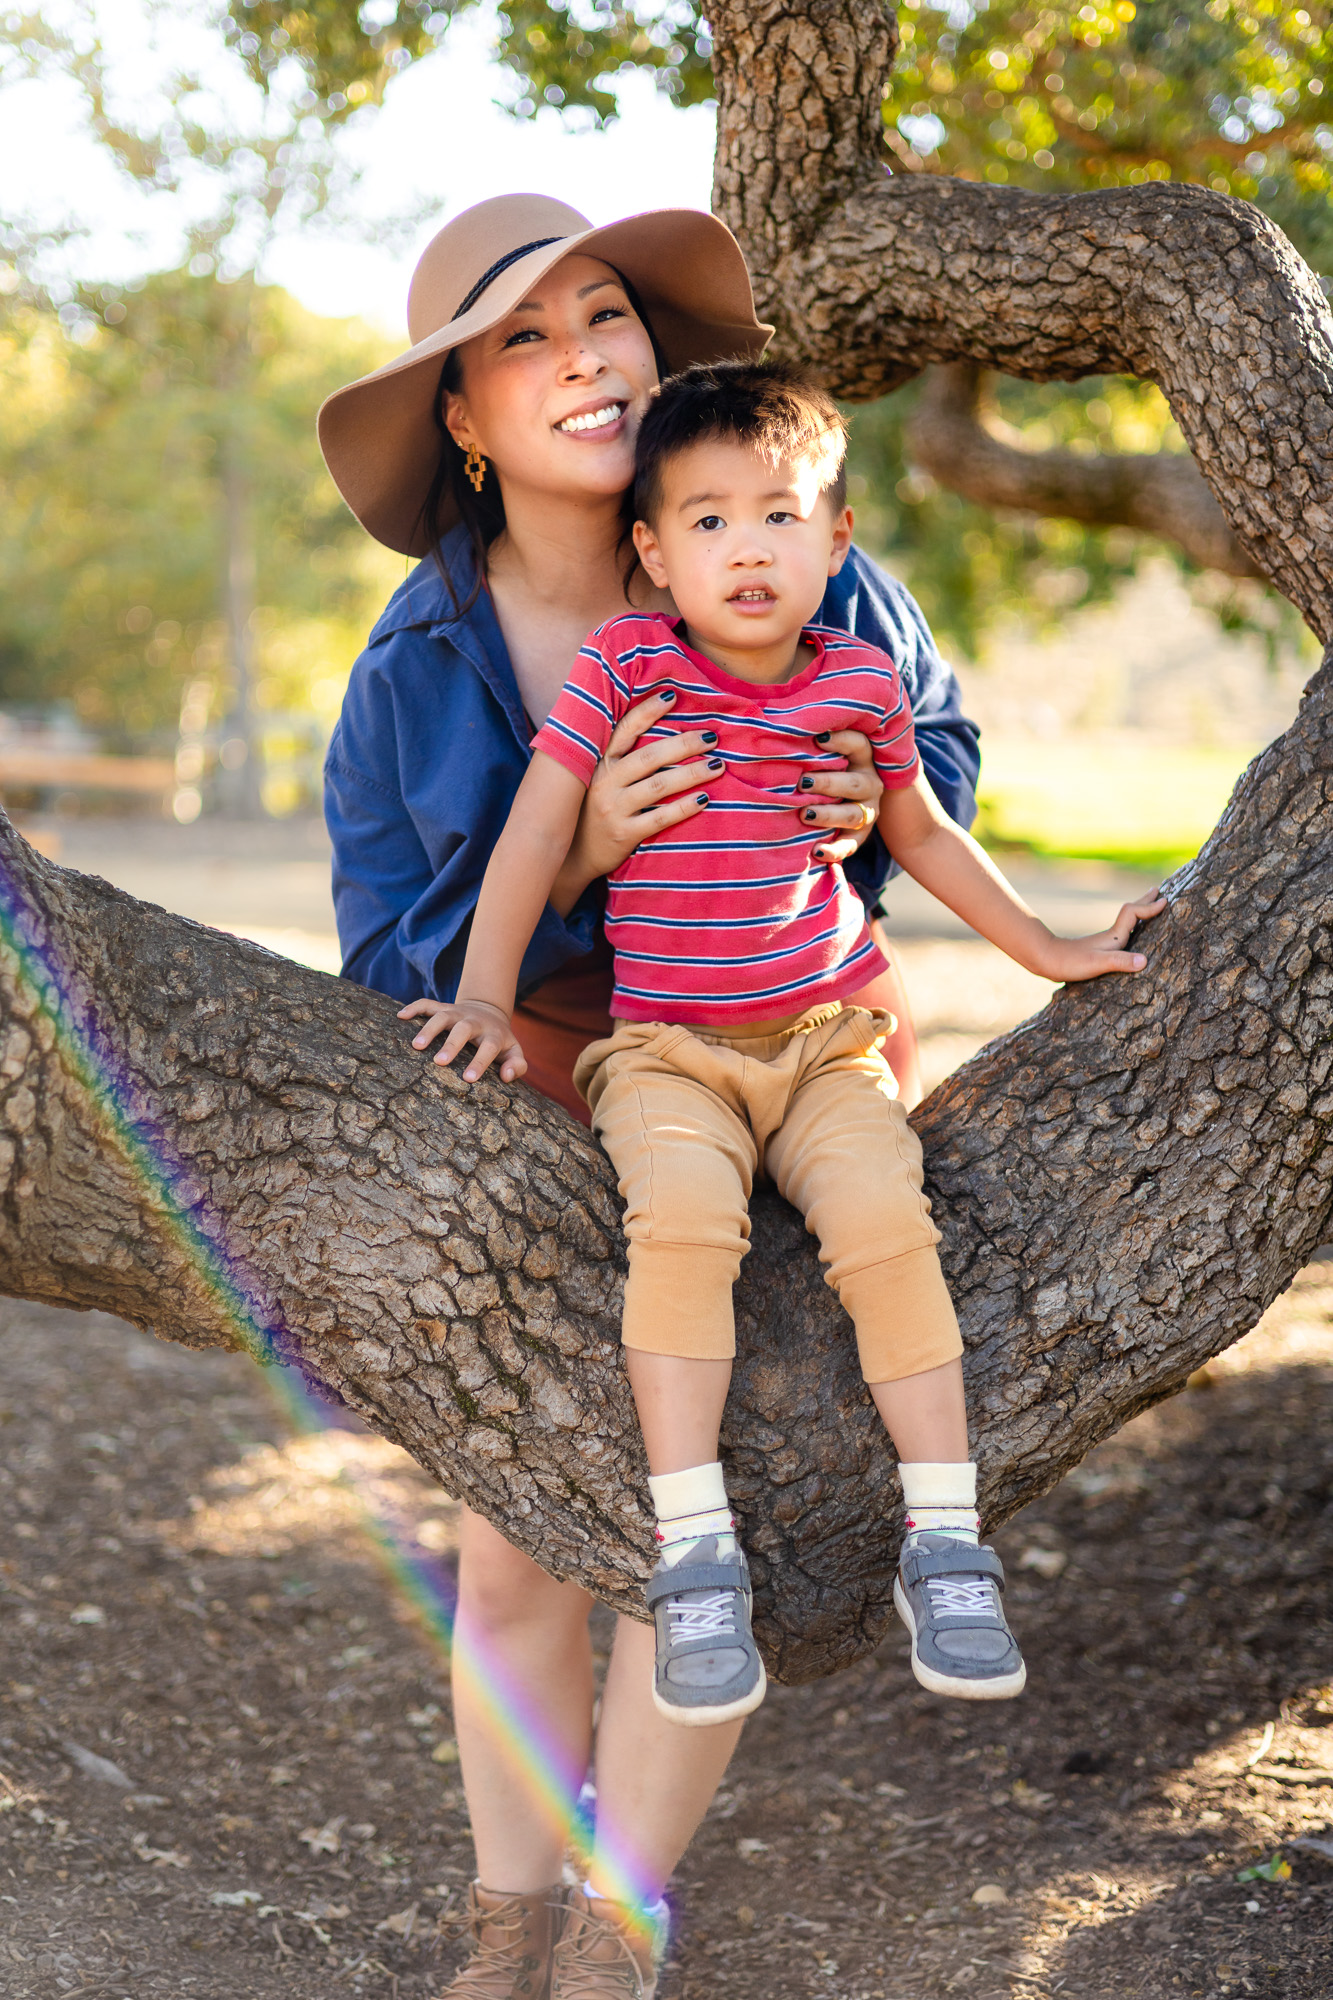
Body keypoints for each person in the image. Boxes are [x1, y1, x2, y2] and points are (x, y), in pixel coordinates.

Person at [321, 195, 981, 2000]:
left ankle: (625, 1922)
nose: (581, 358)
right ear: (461, 414)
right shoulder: (412, 667)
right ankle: (503, 1925)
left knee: (717, 1503)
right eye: (518, 341)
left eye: (599, 315)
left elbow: (936, 748)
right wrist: (590, 854)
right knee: (529, 1534)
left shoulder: (764, 533)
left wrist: (863, 804)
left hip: (791, 1049)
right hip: (551, 1084)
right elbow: (389, 950)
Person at [404, 354, 1166, 1741]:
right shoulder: (626, 662)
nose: (743, 547)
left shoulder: (859, 683)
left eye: (775, 513)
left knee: (887, 1220)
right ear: (651, 550)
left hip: (824, 1042)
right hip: (667, 1055)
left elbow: (927, 835)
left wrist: (1052, 952)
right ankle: (694, 1547)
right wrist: (481, 994)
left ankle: (946, 1541)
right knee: (682, 1227)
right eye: (703, 519)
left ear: (836, 537)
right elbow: (530, 834)